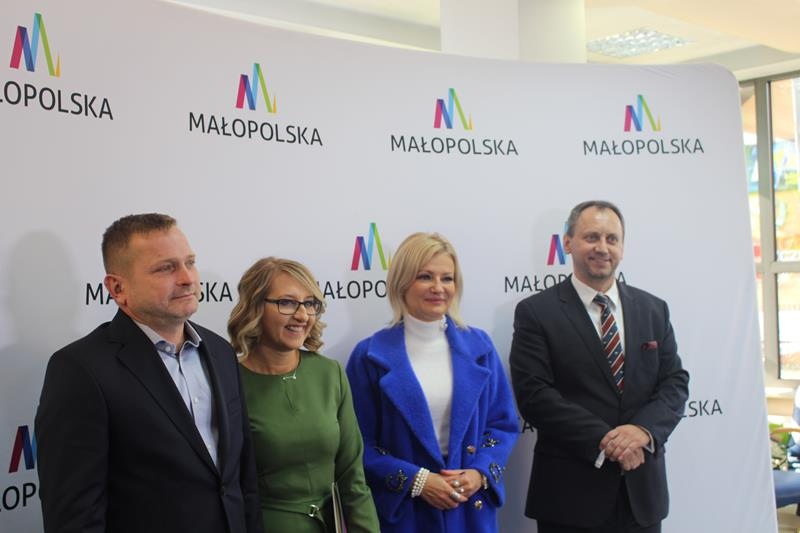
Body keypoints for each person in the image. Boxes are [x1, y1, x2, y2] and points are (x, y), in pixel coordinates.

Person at [35, 213, 261, 533]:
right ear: (117, 288)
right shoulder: (81, 370)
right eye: (165, 268)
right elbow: (75, 515)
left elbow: (242, 480)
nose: (187, 278)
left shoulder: (221, 351)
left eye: (190, 262)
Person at [509, 200, 690, 533]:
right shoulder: (536, 312)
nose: (602, 248)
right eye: (591, 237)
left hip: (642, 496)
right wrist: (607, 441)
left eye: (612, 239)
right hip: (569, 498)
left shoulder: (653, 309)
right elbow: (534, 394)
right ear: (568, 243)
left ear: (622, 247)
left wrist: (642, 432)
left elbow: (674, 383)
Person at [346, 232, 519, 533]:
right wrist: (418, 481)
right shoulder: (369, 356)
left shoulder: (480, 347)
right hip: (406, 514)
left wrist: (479, 473)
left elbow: (502, 425)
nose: (438, 288)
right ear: (402, 282)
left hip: (470, 511)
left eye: (447, 278)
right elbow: (359, 444)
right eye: (425, 277)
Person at [227, 257, 380, 533]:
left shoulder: (329, 373)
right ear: (255, 307)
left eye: (309, 304)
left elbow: (353, 477)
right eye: (287, 303)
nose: (302, 315)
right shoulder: (229, 382)